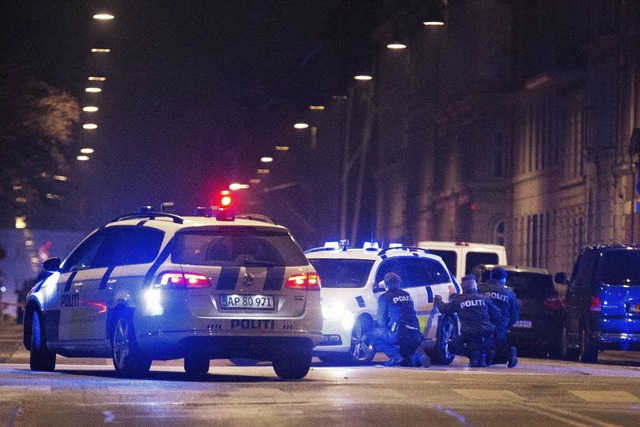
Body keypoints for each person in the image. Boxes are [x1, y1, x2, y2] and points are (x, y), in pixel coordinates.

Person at [434, 275, 503, 367]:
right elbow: (498, 315)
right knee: (485, 345)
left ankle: (474, 355)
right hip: (487, 334)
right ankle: (481, 356)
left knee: (451, 346)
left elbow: (444, 309)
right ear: (475, 287)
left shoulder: (459, 300)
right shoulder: (484, 299)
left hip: (469, 335)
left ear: (463, 288)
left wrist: (438, 301)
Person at [368, 272, 430, 367]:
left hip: (399, 333)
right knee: (407, 362)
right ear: (399, 283)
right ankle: (415, 354)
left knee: (372, 334)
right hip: (415, 333)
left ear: (385, 283)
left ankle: (396, 356)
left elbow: (381, 320)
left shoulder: (384, 297)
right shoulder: (407, 295)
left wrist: (385, 329)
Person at [478, 267, 519, 367]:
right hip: (500, 329)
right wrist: (506, 326)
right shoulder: (509, 294)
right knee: (499, 344)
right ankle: (508, 353)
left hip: (482, 327)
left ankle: (484, 355)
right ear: (504, 279)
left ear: (491, 276)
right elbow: (514, 315)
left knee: (479, 345)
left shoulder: (480, 289)